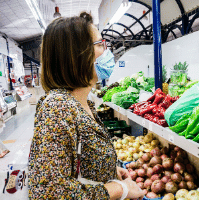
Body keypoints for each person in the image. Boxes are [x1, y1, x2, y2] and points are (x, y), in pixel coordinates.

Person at [28, 12, 145, 200]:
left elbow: (77, 160)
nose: (107, 51)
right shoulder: (58, 107)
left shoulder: (82, 102)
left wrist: (108, 170)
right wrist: (118, 189)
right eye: (100, 44)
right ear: (78, 55)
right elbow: (48, 192)